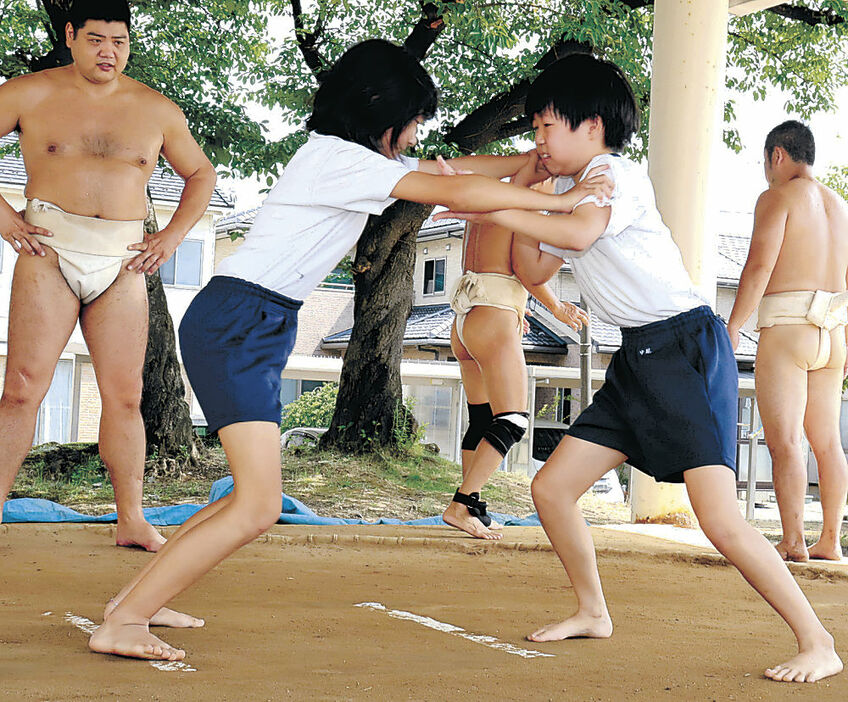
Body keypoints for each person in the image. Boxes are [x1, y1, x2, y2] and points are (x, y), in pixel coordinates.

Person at [88, 38, 601, 662]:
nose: (413, 138)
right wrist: (560, 201)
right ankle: (126, 620)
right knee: (257, 504)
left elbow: (455, 173)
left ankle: (132, 601)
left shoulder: (348, 159)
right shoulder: (339, 160)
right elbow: (461, 194)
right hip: (239, 320)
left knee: (248, 493)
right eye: (411, 125)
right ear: (381, 112)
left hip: (254, 319)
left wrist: (527, 164)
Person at [438, 54, 842, 683]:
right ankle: (593, 610)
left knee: (720, 521)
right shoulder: (570, 192)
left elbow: (579, 237)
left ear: (591, 126)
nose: (538, 141)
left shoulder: (611, 174)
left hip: (683, 349)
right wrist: (531, 198)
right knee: (551, 489)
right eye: (536, 129)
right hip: (637, 357)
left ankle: (817, 639)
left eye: (547, 127)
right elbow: (536, 269)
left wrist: (492, 204)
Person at [0, 0, 216, 552]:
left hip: (121, 260)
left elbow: (200, 173)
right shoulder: (27, 92)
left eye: (119, 41)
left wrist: (169, 237)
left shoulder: (156, 108)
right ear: (71, 35)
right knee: (22, 390)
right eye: (96, 39)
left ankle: (131, 518)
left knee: (124, 395)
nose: (108, 52)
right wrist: (4, 218)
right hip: (48, 250)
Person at [442, 155, 605, 539]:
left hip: (466, 317)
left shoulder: (493, 190)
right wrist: (557, 306)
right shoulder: (533, 194)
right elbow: (523, 266)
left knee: (483, 419)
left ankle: (473, 506)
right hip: (493, 314)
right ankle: (461, 503)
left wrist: (515, 307)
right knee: (513, 420)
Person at [728, 121, 848, 563]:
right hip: (834, 332)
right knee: (828, 442)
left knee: (786, 442)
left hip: (788, 328)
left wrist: (734, 324)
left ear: (777, 155)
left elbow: (760, 265)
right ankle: (830, 540)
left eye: (765, 163)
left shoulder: (777, 197)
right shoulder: (841, 206)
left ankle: (794, 538)